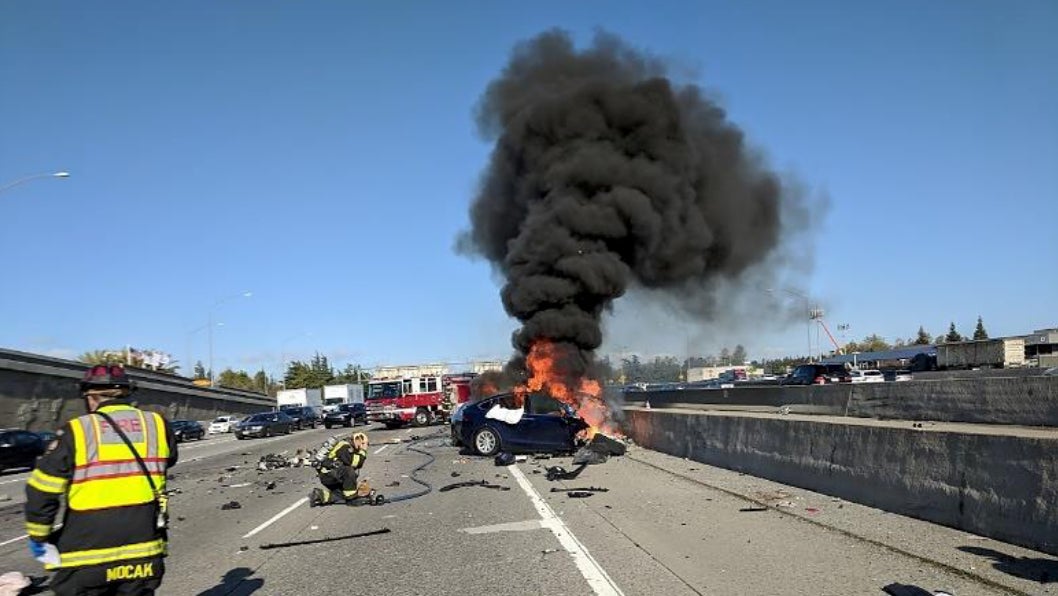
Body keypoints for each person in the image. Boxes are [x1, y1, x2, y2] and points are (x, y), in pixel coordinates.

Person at [25, 364, 178, 595]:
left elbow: (42, 490)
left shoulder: (77, 430)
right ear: (127, 393)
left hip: (86, 558)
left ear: (90, 396)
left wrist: (40, 536)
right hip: (143, 552)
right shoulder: (157, 425)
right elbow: (169, 461)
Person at [310, 432, 369, 506]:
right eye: (362, 443)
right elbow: (355, 462)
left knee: (341, 495)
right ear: (357, 440)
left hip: (328, 475)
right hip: (329, 475)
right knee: (348, 470)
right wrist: (363, 451)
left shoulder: (346, 446)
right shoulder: (344, 446)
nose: (361, 445)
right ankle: (351, 499)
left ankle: (319, 495)